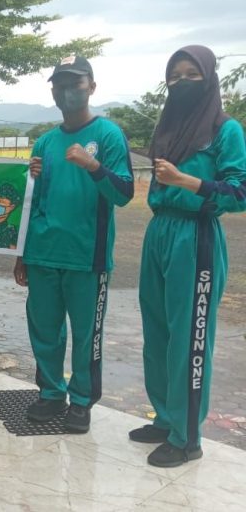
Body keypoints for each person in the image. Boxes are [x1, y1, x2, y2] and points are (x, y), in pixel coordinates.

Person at [130, 45, 246, 468]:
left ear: (209, 78)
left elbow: (240, 193)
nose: (180, 82)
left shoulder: (224, 129)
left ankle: (188, 436)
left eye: (190, 74)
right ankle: (165, 418)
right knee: (157, 333)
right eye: (173, 75)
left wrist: (188, 181)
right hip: (159, 230)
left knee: (190, 339)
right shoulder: (168, 127)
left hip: (195, 236)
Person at [14, 56, 133, 433]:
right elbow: (33, 204)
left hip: (87, 257)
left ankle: (82, 401)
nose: (68, 91)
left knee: (86, 335)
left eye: (76, 83)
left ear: (92, 87)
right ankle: (51, 393)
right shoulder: (46, 142)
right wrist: (22, 254)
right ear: (52, 91)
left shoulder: (109, 136)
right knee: (45, 331)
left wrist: (93, 166)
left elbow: (125, 193)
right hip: (43, 254)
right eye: (60, 84)